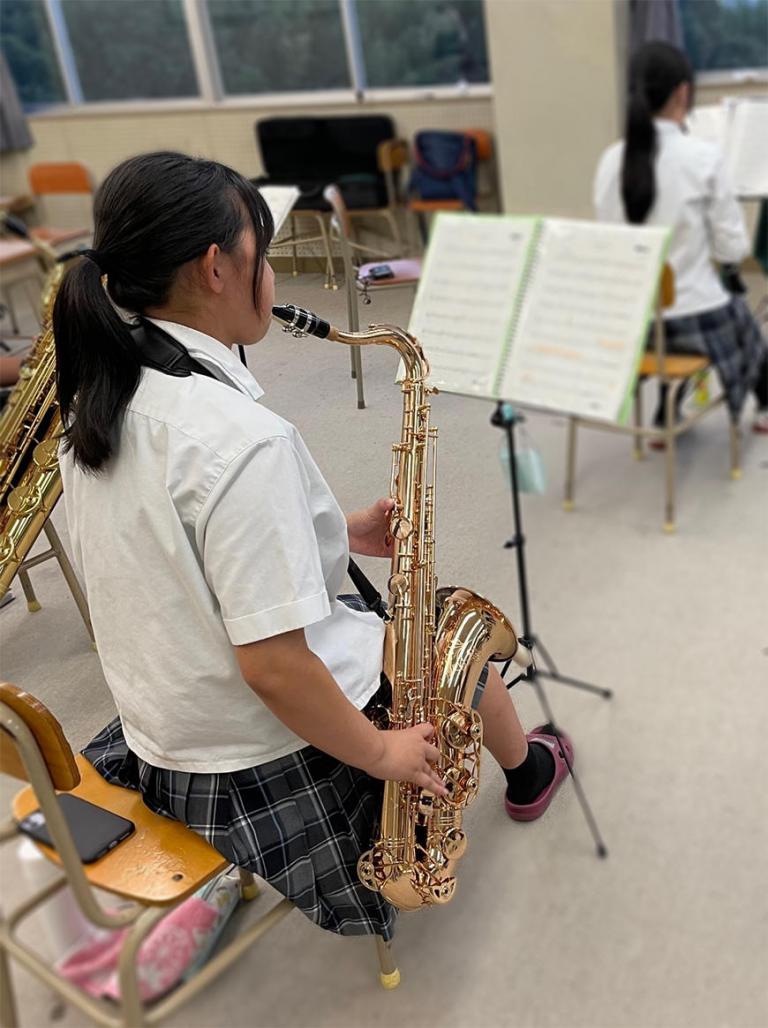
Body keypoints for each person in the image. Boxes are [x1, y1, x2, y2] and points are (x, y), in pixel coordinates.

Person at [53, 152, 573, 942]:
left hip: (162, 732)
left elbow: (177, 551)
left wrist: (342, 532)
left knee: (412, 617)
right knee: (449, 627)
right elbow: (274, 667)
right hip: (258, 758)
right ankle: (530, 771)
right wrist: (381, 754)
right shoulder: (238, 441)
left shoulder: (100, 394)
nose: (273, 278)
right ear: (217, 267)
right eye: (263, 252)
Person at [593, 41, 768, 437]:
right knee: (741, 317)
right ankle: (764, 408)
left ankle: (667, 412)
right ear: (682, 93)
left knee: (696, 306)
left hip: (630, 321)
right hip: (692, 320)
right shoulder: (703, 157)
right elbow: (733, 249)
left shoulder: (609, 161)